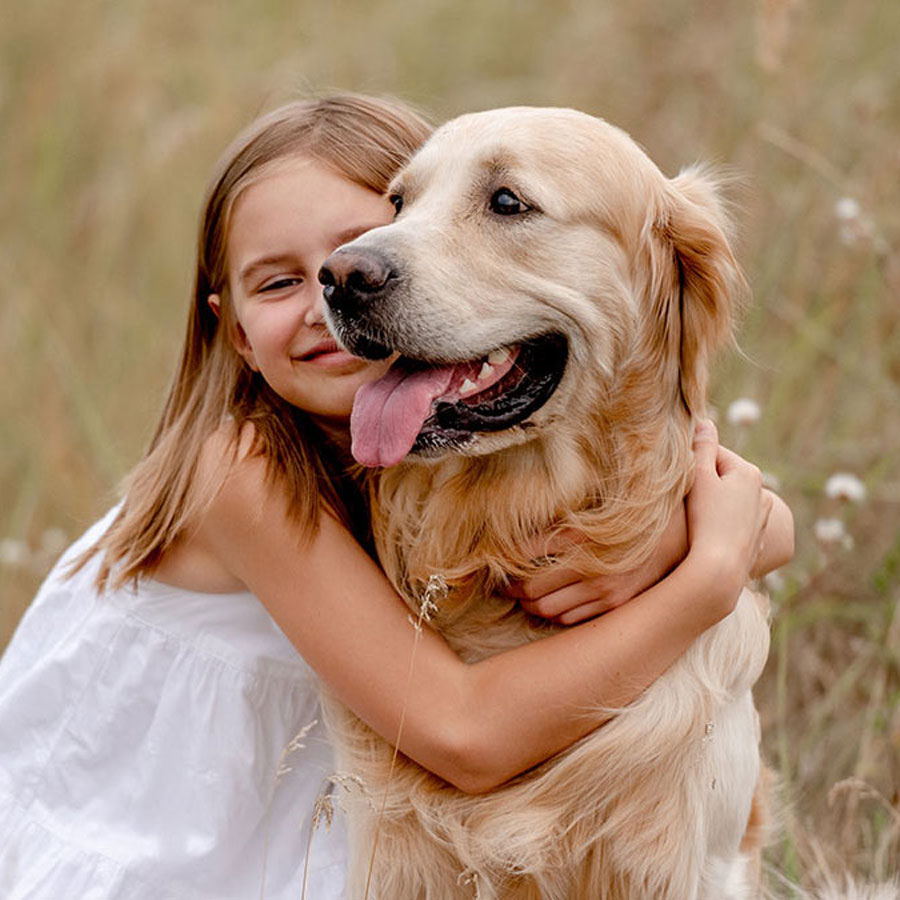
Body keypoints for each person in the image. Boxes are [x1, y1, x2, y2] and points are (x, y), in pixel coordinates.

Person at [0, 94, 793, 900]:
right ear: (233, 330)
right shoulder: (245, 469)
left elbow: (745, 507)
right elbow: (465, 731)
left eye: (506, 204)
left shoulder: (422, 428)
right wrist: (702, 581)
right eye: (277, 282)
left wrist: (679, 541)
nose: (340, 289)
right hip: (166, 846)